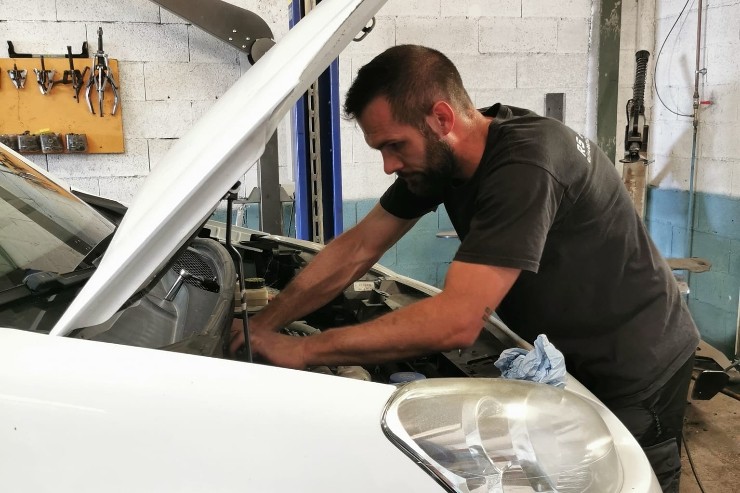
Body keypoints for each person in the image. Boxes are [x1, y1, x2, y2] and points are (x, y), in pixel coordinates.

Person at [230, 45, 699, 492]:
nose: (389, 165)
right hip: (570, 353)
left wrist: (305, 350)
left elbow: (456, 321)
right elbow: (356, 248)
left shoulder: (526, 164)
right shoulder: (444, 161)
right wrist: (263, 326)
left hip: (636, 361)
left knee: (627, 479)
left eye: (394, 145)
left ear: (442, 118)